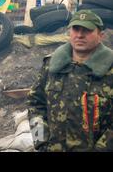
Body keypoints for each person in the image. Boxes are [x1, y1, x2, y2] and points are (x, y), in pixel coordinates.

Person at [28, 10, 113, 151]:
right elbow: (35, 104)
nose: (80, 35)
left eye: (87, 30)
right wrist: (41, 142)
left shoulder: (109, 70)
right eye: (76, 29)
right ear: (69, 32)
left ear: (100, 36)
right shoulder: (52, 65)